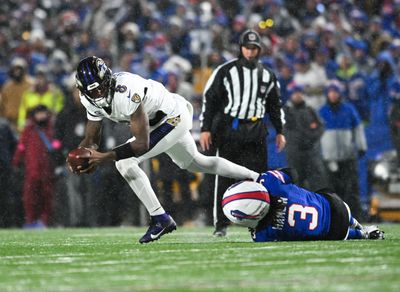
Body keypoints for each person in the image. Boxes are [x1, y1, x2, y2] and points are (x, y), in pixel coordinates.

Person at [69, 56, 260, 243]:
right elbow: (92, 138)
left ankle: (160, 218)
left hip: (172, 118)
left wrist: (103, 157)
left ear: (109, 80)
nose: (100, 94)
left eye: (102, 88)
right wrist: (82, 155)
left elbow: (142, 144)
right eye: (93, 92)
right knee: (196, 163)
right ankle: (255, 177)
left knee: (125, 162)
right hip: (158, 122)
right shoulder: (89, 101)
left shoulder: (126, 91)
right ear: (83, 91)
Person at [199, 29, 286, 237]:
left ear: (259, 50)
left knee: (259, 179)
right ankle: (221, 224)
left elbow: (275, 104)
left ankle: (261, 224)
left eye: (254, 48)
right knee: (225, 176)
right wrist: (205, 128)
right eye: (247, 48)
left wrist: (280, 130)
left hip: (256, 131)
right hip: (231, 130)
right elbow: (210, 99)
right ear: (241, 48)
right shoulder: (226, 70)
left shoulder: (267, 74)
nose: (250, 52)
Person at [250, 169, 384, 242]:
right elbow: (292, 172)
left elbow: (259, 232)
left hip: (335, 232)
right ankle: (357, 224)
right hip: (335, 204)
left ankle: (361, 234)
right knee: (319, 194)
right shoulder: (272, 183)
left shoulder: (263, 234)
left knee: (329, 234)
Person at [319, 80, 367, 219]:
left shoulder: (349, 109)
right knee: (332, 189)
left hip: (347, 156)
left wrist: (362, 146)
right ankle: (336, 217)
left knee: (350, 188)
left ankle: (354, 216)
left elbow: (358, 129)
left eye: (335, 92)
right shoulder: (321, 111)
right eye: (330, 92)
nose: (333, 95)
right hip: (329, 158)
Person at [12, 105, 61, 228]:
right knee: (30, 198)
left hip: (47, 171)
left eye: (43, 113)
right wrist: (16, 162)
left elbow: (57, 148)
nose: (41, 116)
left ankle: (44, 221)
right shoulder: (29, 130)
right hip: (32, 171)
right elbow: (21, 148)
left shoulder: (51, 129)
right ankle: (31, 221)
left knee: (46, 197)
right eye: (38, 113)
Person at [283, 83, 328, 191]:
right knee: (297, 183)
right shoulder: (286, 111)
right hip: (295, 154)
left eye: (299, 92)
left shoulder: (310, 110)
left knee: (317, 184)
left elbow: (320, 127)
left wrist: (311, 139)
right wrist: (299, 140)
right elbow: (285, 131)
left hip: (311, 153)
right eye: (295, 93)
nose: (297, 95)